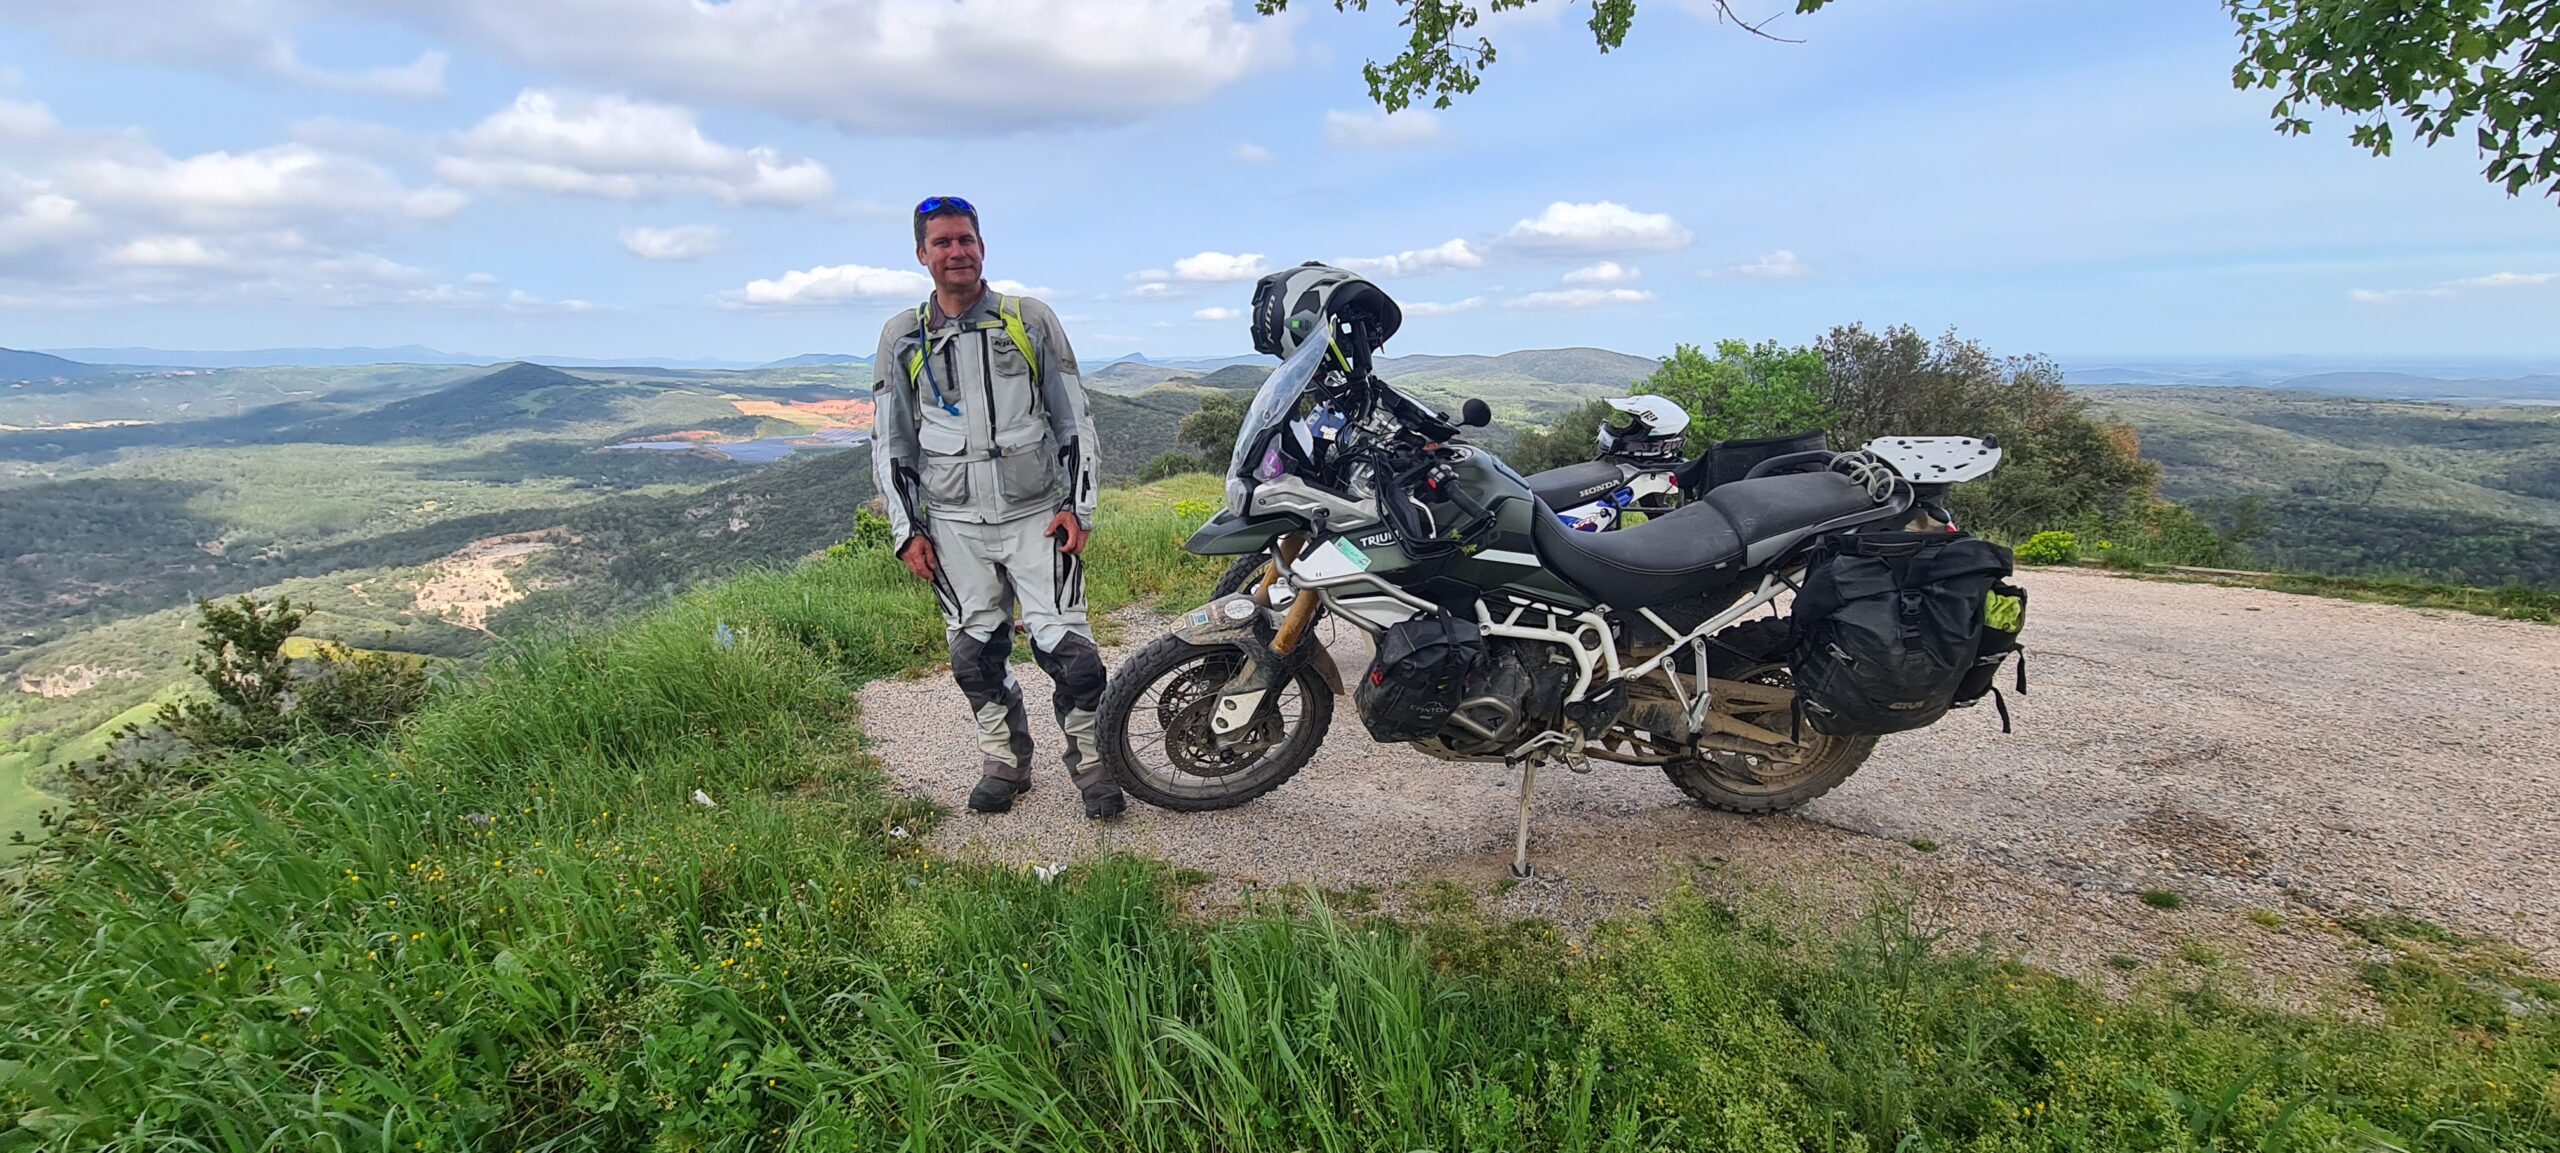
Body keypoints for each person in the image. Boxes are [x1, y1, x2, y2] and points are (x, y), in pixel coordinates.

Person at [869, 195, 1121, 819]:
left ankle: (1092, 764)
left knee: (1073, 656)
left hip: (1037, 516)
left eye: (967, 240)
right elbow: (891, 438)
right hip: (953, 526)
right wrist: (907, 531)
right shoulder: (903, 336)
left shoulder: (1027, 319)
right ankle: (1005, 762)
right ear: (921, 254)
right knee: (975, 655)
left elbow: (1074, 420)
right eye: (943, 243)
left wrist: (1078, 508)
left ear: (982, 246)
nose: (957, 252)